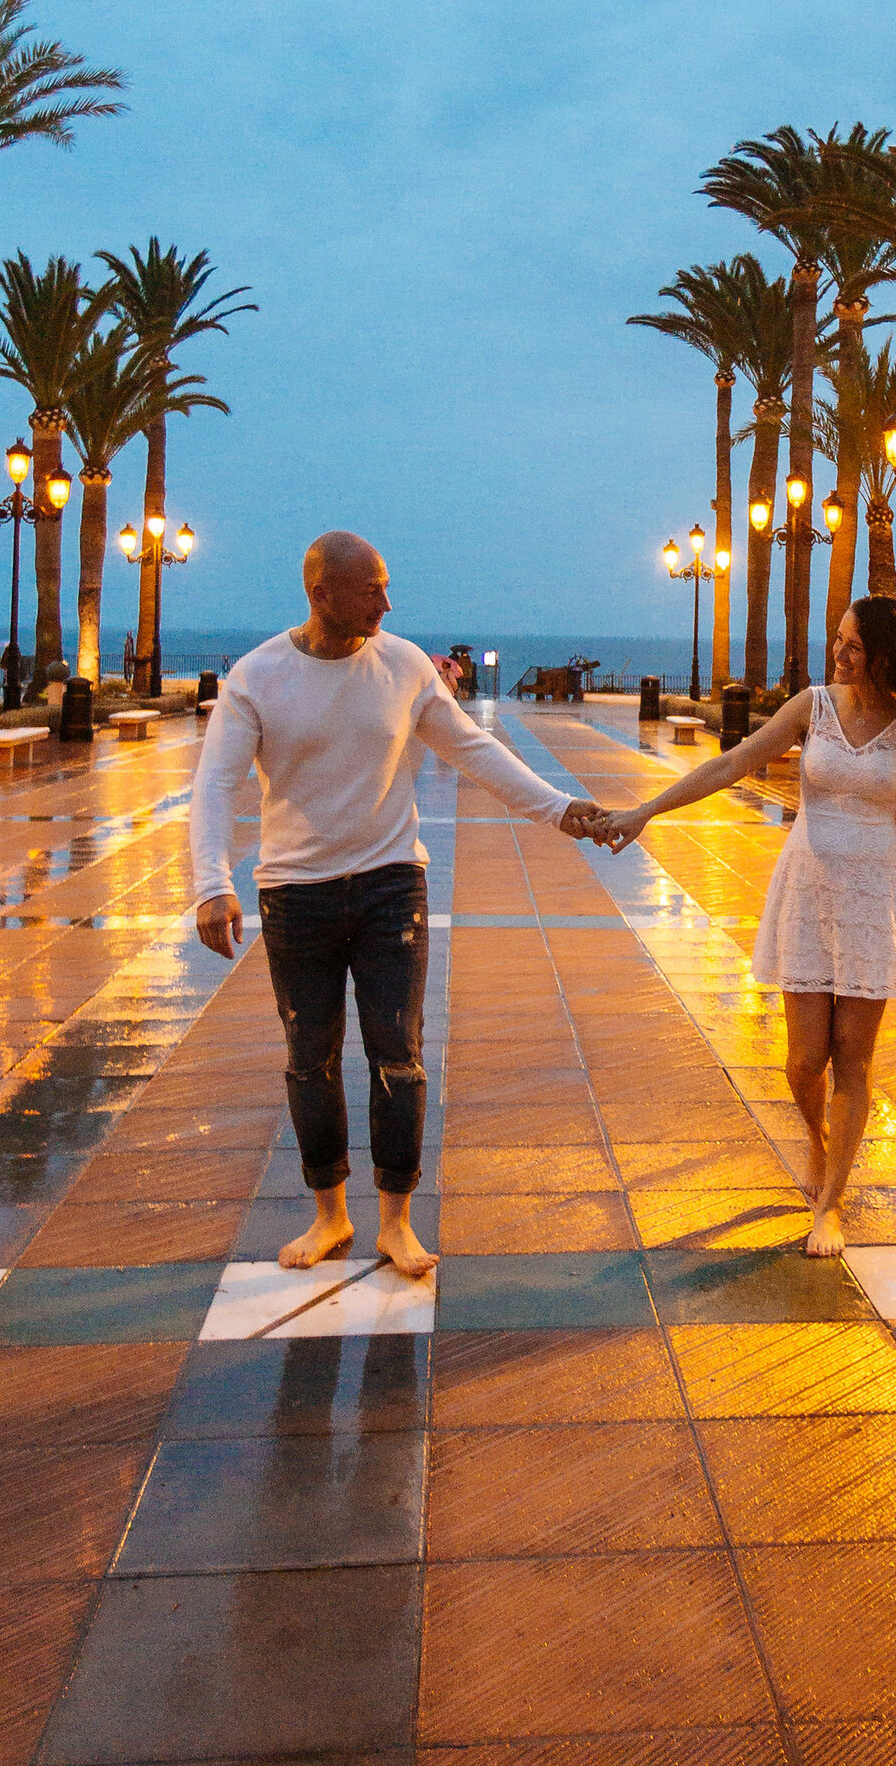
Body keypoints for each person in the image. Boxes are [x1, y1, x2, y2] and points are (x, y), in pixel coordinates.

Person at [191, 531, 607, 1280]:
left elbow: (472, 751)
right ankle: (329, 1217)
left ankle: (395, 1222)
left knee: (399, 1056)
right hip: (294, 894)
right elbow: (215, 785)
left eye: (386, 587)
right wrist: (212, 884)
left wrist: (558, 809)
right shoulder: (257, 678)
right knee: (308, 1059)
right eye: (370, 589)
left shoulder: (405, 664)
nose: (388, 602)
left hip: (390, 887)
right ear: (321, 593)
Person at [599, 594, 896, 1258]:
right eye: (835, 640)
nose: (837, 654)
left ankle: (831, 1204)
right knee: (805, 1059)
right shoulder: (811, 707)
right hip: (808, 896)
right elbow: (730, 764)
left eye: (851, 646)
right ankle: (816, 1142)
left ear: (883, 655)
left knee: (856, 1059)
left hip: (876, 904)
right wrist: (646, 811)